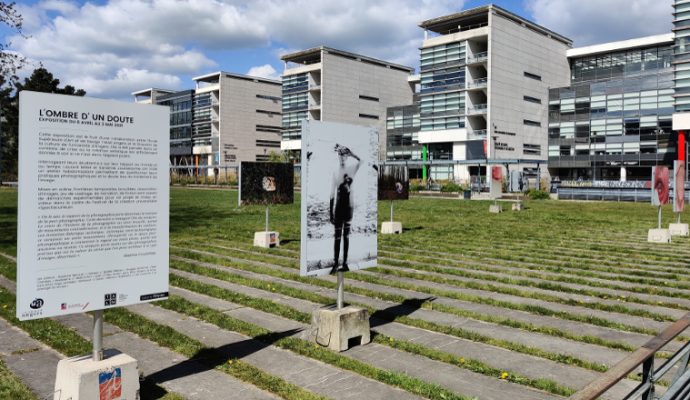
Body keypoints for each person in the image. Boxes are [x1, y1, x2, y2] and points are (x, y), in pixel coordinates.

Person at [330, 144, 361, 274]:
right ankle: (336, 263)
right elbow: (331, 193)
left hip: (348, 207)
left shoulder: (351, 169)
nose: (342, 158)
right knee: (337, 237)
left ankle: (345, 263)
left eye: (344, 156)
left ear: (346, 157)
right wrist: (330, 211)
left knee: (346, 237)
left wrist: (352, 153)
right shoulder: (335, 172)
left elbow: (361, 161)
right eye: (340, 155)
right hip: (338, 208)